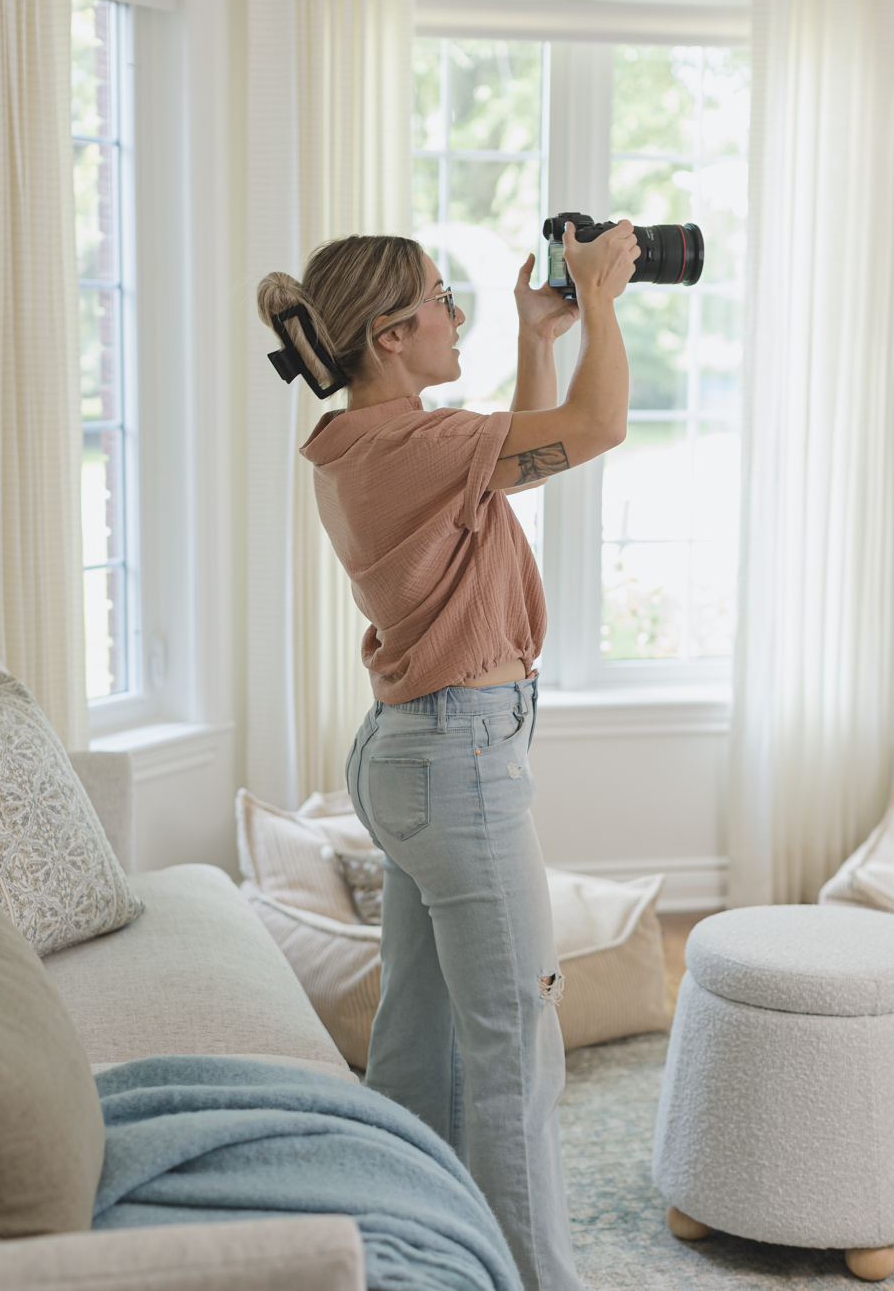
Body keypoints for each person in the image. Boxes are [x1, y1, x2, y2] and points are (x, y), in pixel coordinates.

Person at [257, 218, 639, 1291]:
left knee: (421, 1048)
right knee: (515, 1051)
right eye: (438, 298)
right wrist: (599, 299)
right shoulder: (413, 449)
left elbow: (519, 447)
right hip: (459, 766)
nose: (454, 312)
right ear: (388, 335)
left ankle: (410, 1259)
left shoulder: (368, 443)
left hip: (418, 759)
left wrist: (539, 334)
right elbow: (594, 426)